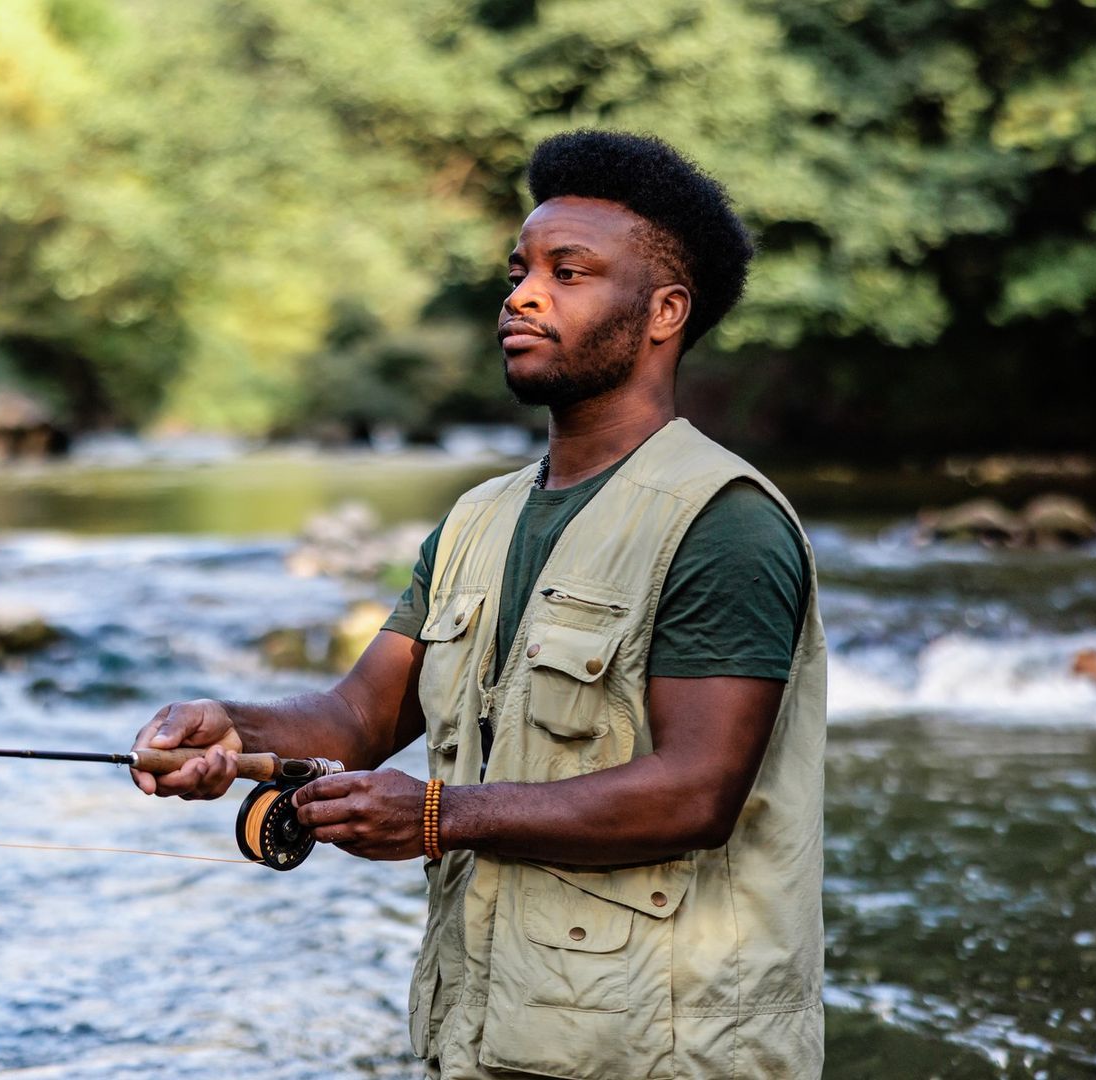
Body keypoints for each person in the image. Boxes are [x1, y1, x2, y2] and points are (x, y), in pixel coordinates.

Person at [130, 129, 825, 1079]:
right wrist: (225, 724)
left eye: (568, 272)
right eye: (519, 270)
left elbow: (696, 793)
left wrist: (435, 816)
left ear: (665, 311)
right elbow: (358, 717)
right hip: (487, 1037)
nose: (523, 295)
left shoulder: (725, 523)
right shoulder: (476, 518)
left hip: (667, 1052)